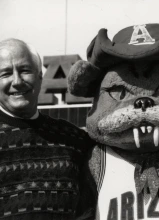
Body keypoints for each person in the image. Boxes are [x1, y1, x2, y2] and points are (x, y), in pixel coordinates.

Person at [0, 38, 94, 220]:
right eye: (5, 74)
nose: (17, 81)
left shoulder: (75, 139)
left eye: (25, 70)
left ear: (39, 77)